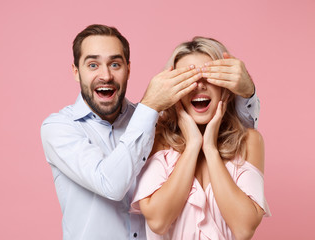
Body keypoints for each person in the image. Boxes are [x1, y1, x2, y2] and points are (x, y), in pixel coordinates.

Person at [41, 24, 260, 240]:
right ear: (76, 72)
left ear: (128, 69)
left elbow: (236, 130)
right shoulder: (59, 128)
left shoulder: (157, 125)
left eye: (115, 64)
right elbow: (111, 184)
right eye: (92, 65)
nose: (106, 75)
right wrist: (151, 106)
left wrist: (246, 91)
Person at [131, 37, 271, 240]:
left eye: (209, 77)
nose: (199, 86)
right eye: (188, 79)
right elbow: (158, 222)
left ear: (226, 88)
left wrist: (211, 149)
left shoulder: (249, 141)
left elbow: (244, 228)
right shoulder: (158, 138)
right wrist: (193, 146)